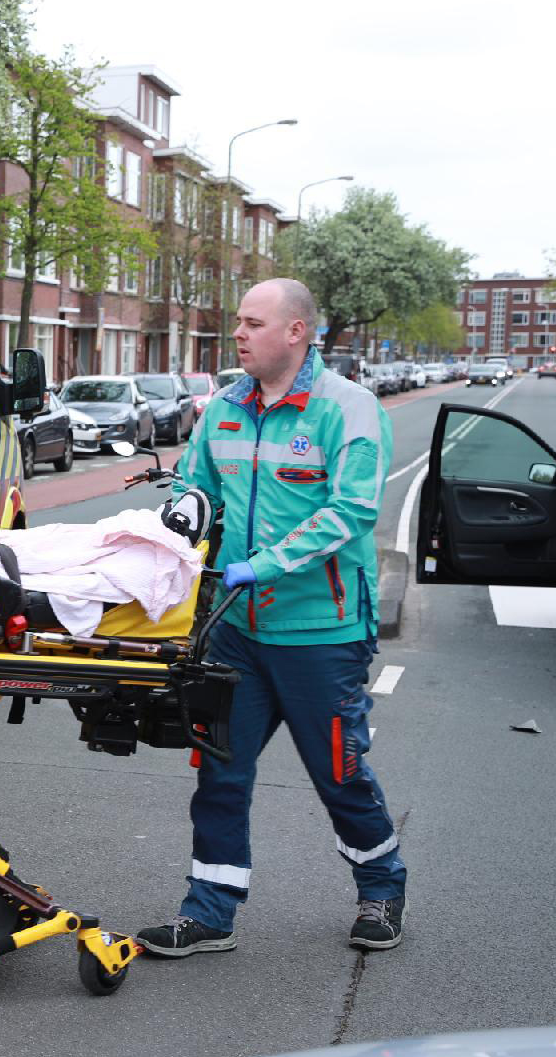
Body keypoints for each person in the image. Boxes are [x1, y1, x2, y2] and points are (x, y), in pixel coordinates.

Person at [137, 278, 407, 958]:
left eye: (253, 323)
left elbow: (352, 511)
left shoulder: (348, 409)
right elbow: (195, 483)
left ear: (296, 332)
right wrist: (185, 511)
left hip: (322, 632)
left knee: (340, 773)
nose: (239, 334)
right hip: (236, 629)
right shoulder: (225, 407)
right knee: (220, 774)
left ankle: (382, 889)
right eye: (239, 322)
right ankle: (209, 912)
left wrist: (267, 563)